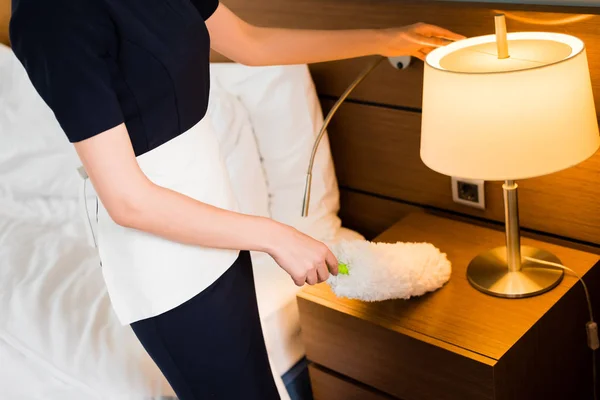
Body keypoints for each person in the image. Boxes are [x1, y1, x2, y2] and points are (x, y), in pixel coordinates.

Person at [9, 1, 464, 398]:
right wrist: (274, 236)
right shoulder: (50, 14)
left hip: (216, 229)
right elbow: (128, 200)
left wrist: (386, 38)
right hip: (166, 266)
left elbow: (249, 42)